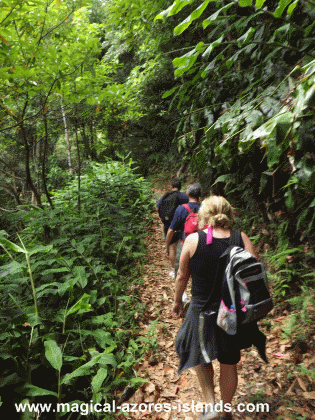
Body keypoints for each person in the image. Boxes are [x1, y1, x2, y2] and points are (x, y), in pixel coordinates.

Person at [172, 196, 267, 420]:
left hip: (201, 309)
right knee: (228, 361)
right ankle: (225, 411)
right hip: (232, 311)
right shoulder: (241, 238)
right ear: (228, 213)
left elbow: (182, 275)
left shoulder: (193, 240)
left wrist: (177, 302)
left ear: (204, 216)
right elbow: (253, 273)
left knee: (198, 355)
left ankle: (211, 405)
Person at [156, 178, 188, 278]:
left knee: (171, 247)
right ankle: (186, 269)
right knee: (184, 246)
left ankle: (174, 270)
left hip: (168, 225)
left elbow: (157, 207)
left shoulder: (165, 195)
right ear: (180, 187)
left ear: (171, 186)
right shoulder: (183, 196)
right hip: (183, 225)